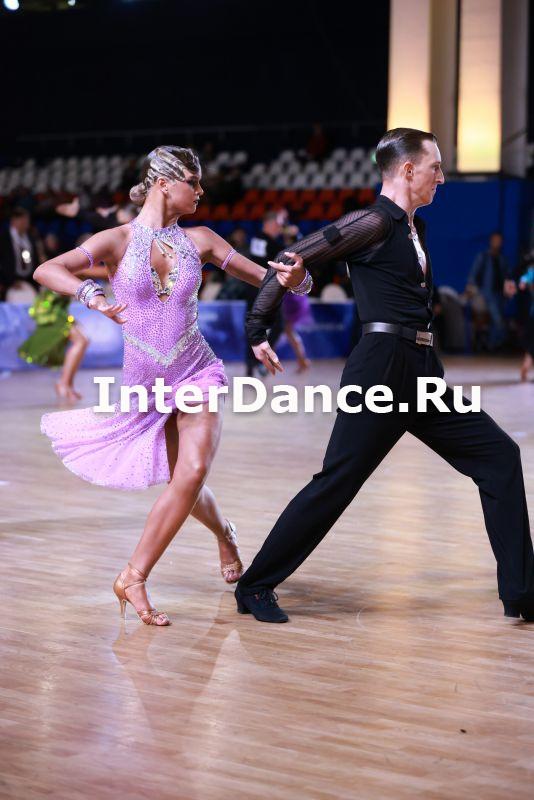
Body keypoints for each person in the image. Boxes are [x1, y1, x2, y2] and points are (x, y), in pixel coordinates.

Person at [235, 127, 534, 624]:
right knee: (337, 482)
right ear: (408, 170)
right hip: (381, 369)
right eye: (436, 167)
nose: (442, 177)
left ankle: (524, 594)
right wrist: (257, 327)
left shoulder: (415, 229)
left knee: (499, 456)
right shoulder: (372, 221)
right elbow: (291, 259)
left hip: (421, 370)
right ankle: (255, 585)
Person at [33, 146, 306, 626]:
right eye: (193, 182)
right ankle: (225, 534)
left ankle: (133, 575)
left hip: (197, 369)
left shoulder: (201, 240)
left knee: (192, 470)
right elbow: (47, 269)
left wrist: (297, 280)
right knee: (183, 478)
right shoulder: (116, 239)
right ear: (163, 183)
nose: (201, 191)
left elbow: (268, 280)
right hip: (145, 381)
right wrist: (91, 295)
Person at [18, 234, 108, 402]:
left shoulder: (82, 266)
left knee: (81, 341)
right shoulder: (82, 265)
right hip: (49, 309)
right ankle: (64, 384)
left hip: (58, 308)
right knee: (81, 341)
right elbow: (106, 273)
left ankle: (66, 384)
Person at [466, 232, 512, 351]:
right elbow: (473, 275)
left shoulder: (502, 259)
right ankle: (493, 345)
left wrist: (508, 290)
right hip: (486, 293)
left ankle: (493, 344)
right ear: (491, 241)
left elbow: (507, 276)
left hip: (500, 295)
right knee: (498, 319)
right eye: (495, 240)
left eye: (499, 241)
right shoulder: (483, 257)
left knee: (498, 320)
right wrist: (472, 290)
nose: (497, 243)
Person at [0, 207, 40, 300]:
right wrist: (7, 281)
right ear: (13, 221)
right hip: (9, 282)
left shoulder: (31, 238)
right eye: (22, 220)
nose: (25, 223)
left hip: (29, 280)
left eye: (27, 220)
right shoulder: (4, 239)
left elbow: (34, 260)